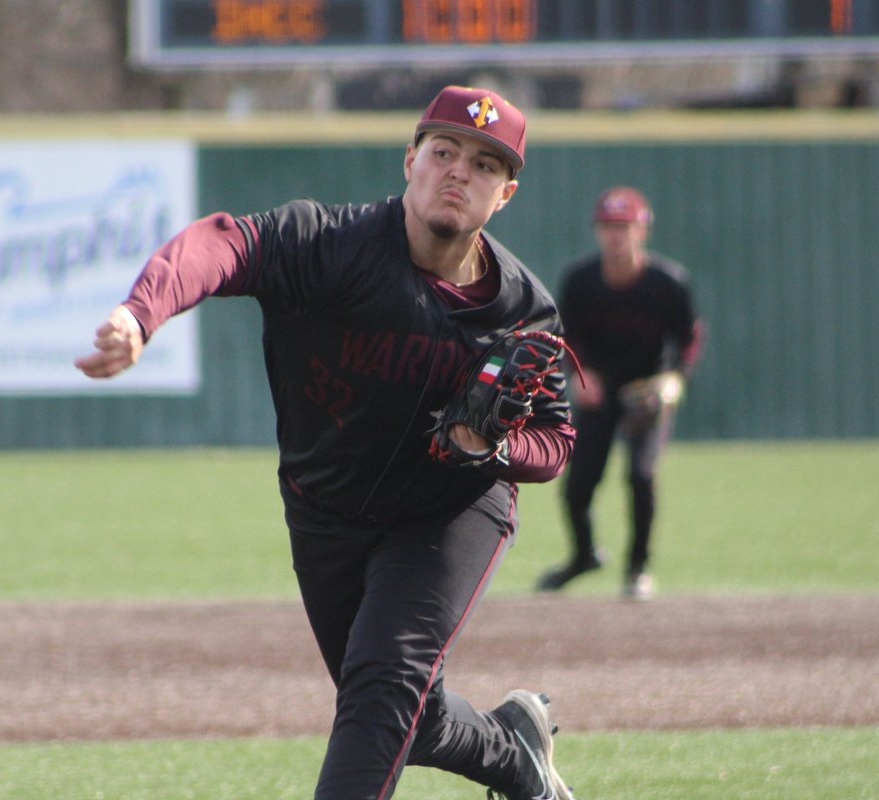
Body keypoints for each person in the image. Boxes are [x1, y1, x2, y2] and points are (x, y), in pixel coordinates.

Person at [75, 86, 578, 800]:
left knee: (383, 687)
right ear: (409, 161)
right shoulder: (328, 245)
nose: (459, 172)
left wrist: (490, 448)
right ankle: (515, 752)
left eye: (485, 165)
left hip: (447, 512)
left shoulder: (522, 309)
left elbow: (555, 440)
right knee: (404, 712)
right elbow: (224, 244)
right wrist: (140, 312)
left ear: (506, 194)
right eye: (444, 152)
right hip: (326, 510)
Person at [537, 187, 703, 601]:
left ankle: (637, 568)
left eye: (624, 227)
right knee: (577, 486)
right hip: (601, 389)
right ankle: (584, 555)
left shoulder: (667, 282)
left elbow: (690, 337)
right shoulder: (581, 280)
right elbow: (565, 335)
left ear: (642, 230)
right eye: (608, 226)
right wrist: (580, 375)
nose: (615, 235)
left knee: (641, 476)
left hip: (647, 391)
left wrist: (675, 379)